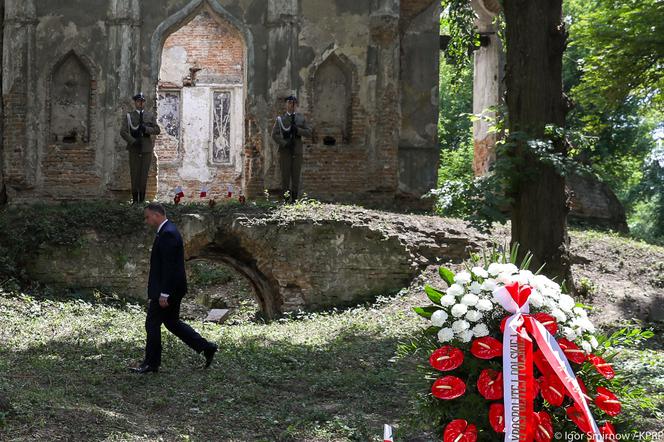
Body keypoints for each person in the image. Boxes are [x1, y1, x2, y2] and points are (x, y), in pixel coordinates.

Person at [131, 203, 218, 374]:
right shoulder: (167, 231)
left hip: (168, 290)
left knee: (152, 324)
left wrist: (164, 293)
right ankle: (206, 347)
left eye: (148, 217)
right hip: (172, 288)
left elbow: (170, 267)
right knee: (171, 322)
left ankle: (151, 363)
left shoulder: (168, 233)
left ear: (157, 215)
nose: (147, 221)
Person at [120, 92, 161, 204]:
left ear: (144, 103)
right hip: (134, 148)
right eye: (138, 101)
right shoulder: (129, 116)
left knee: (144, 174)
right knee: (134, 174)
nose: (140, 103)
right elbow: (123, 132)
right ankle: (135, 200)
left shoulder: (149, 116)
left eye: (142, 101)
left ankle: (142, 200)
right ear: (135, 103)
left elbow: (157, 130)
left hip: (146, 149)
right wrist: (133, 141)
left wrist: (146, 129)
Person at [271, 95, 312, 203]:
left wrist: (297, 130)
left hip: (297, 151)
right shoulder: (281, 119)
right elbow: (274, 135)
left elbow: (309, 132)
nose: (291, 105)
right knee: (285, 176)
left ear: (296, 105)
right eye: (289, 102)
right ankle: (286, 199)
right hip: (285, 151)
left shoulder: (301, 118)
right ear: (286, 104)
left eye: (293, 103)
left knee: (296, 175)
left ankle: (294, 199)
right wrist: (284, 143)